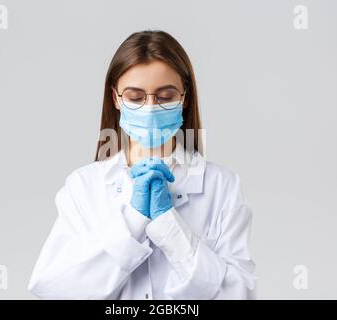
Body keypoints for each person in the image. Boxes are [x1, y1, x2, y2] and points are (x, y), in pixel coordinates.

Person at [27, 30, 257, 299]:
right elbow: (55, 288)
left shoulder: (221, 186)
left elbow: (239, 293)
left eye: (165, 96)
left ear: (184, 97)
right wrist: (133, 221)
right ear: (115, 98)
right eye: (135, 97)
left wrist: (169, 226)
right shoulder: (84, 186)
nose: (150, 108)